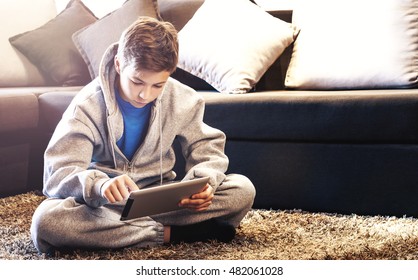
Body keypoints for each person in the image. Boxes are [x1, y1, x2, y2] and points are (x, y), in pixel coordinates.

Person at [30, 16, 255, 254]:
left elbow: (207, 148)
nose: (144, 95)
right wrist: (99, 185)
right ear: (118, 64)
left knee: (242, 189)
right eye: (137, 81)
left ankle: (126, 233)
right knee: (47, 221)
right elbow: (58, 173)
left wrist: (204, 184)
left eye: (158, 85)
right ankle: (174, 234)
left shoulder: (185, 99)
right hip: (107, 206)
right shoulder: (86, 106)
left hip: (165, 201)